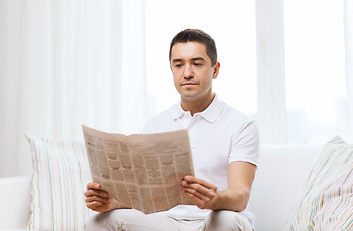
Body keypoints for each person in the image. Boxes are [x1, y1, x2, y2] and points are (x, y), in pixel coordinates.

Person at [84, 29, 259, 231]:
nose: (187, 73)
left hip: (215, 219)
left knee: (225, 220)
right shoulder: (156, 125)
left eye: (197, 63)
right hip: (168, 222)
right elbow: (144, 196)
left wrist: (215, 200)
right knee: (100, 221)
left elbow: (241, 195)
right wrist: (109, 202)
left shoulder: (241, 125)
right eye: (179, 64)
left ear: (215, 69)